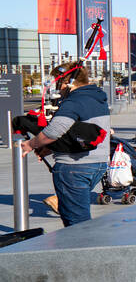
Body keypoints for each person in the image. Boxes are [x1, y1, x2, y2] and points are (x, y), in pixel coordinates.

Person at [21, 63, 110, 227]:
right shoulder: (98, 98)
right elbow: (81, 134)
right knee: (79, 217)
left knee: (76, 224)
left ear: (67, 82)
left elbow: (54, 130)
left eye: (58, 82)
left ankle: (81, 251)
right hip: (97, 163)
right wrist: (50, 148)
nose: (58, 88)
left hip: (74, 167)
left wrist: (31, 144)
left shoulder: (74, 101)